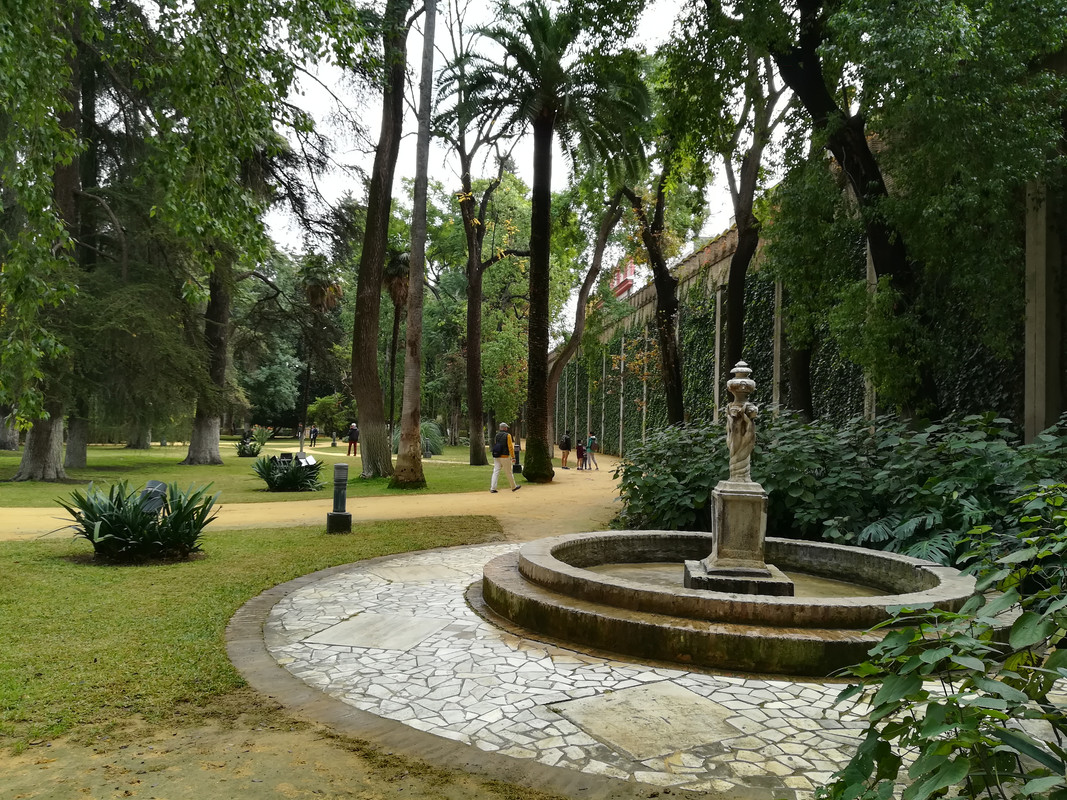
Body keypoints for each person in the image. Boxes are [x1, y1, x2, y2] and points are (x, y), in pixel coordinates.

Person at [489, 423, 520, 493]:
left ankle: (493, 488)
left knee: (496, 471)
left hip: (497, 456)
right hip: (505, 456)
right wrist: (513, 457)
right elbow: (510, 447)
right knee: (508, 472)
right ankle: (513, 486)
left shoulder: (497, 435)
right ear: (505, 428)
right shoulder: (508, 435)